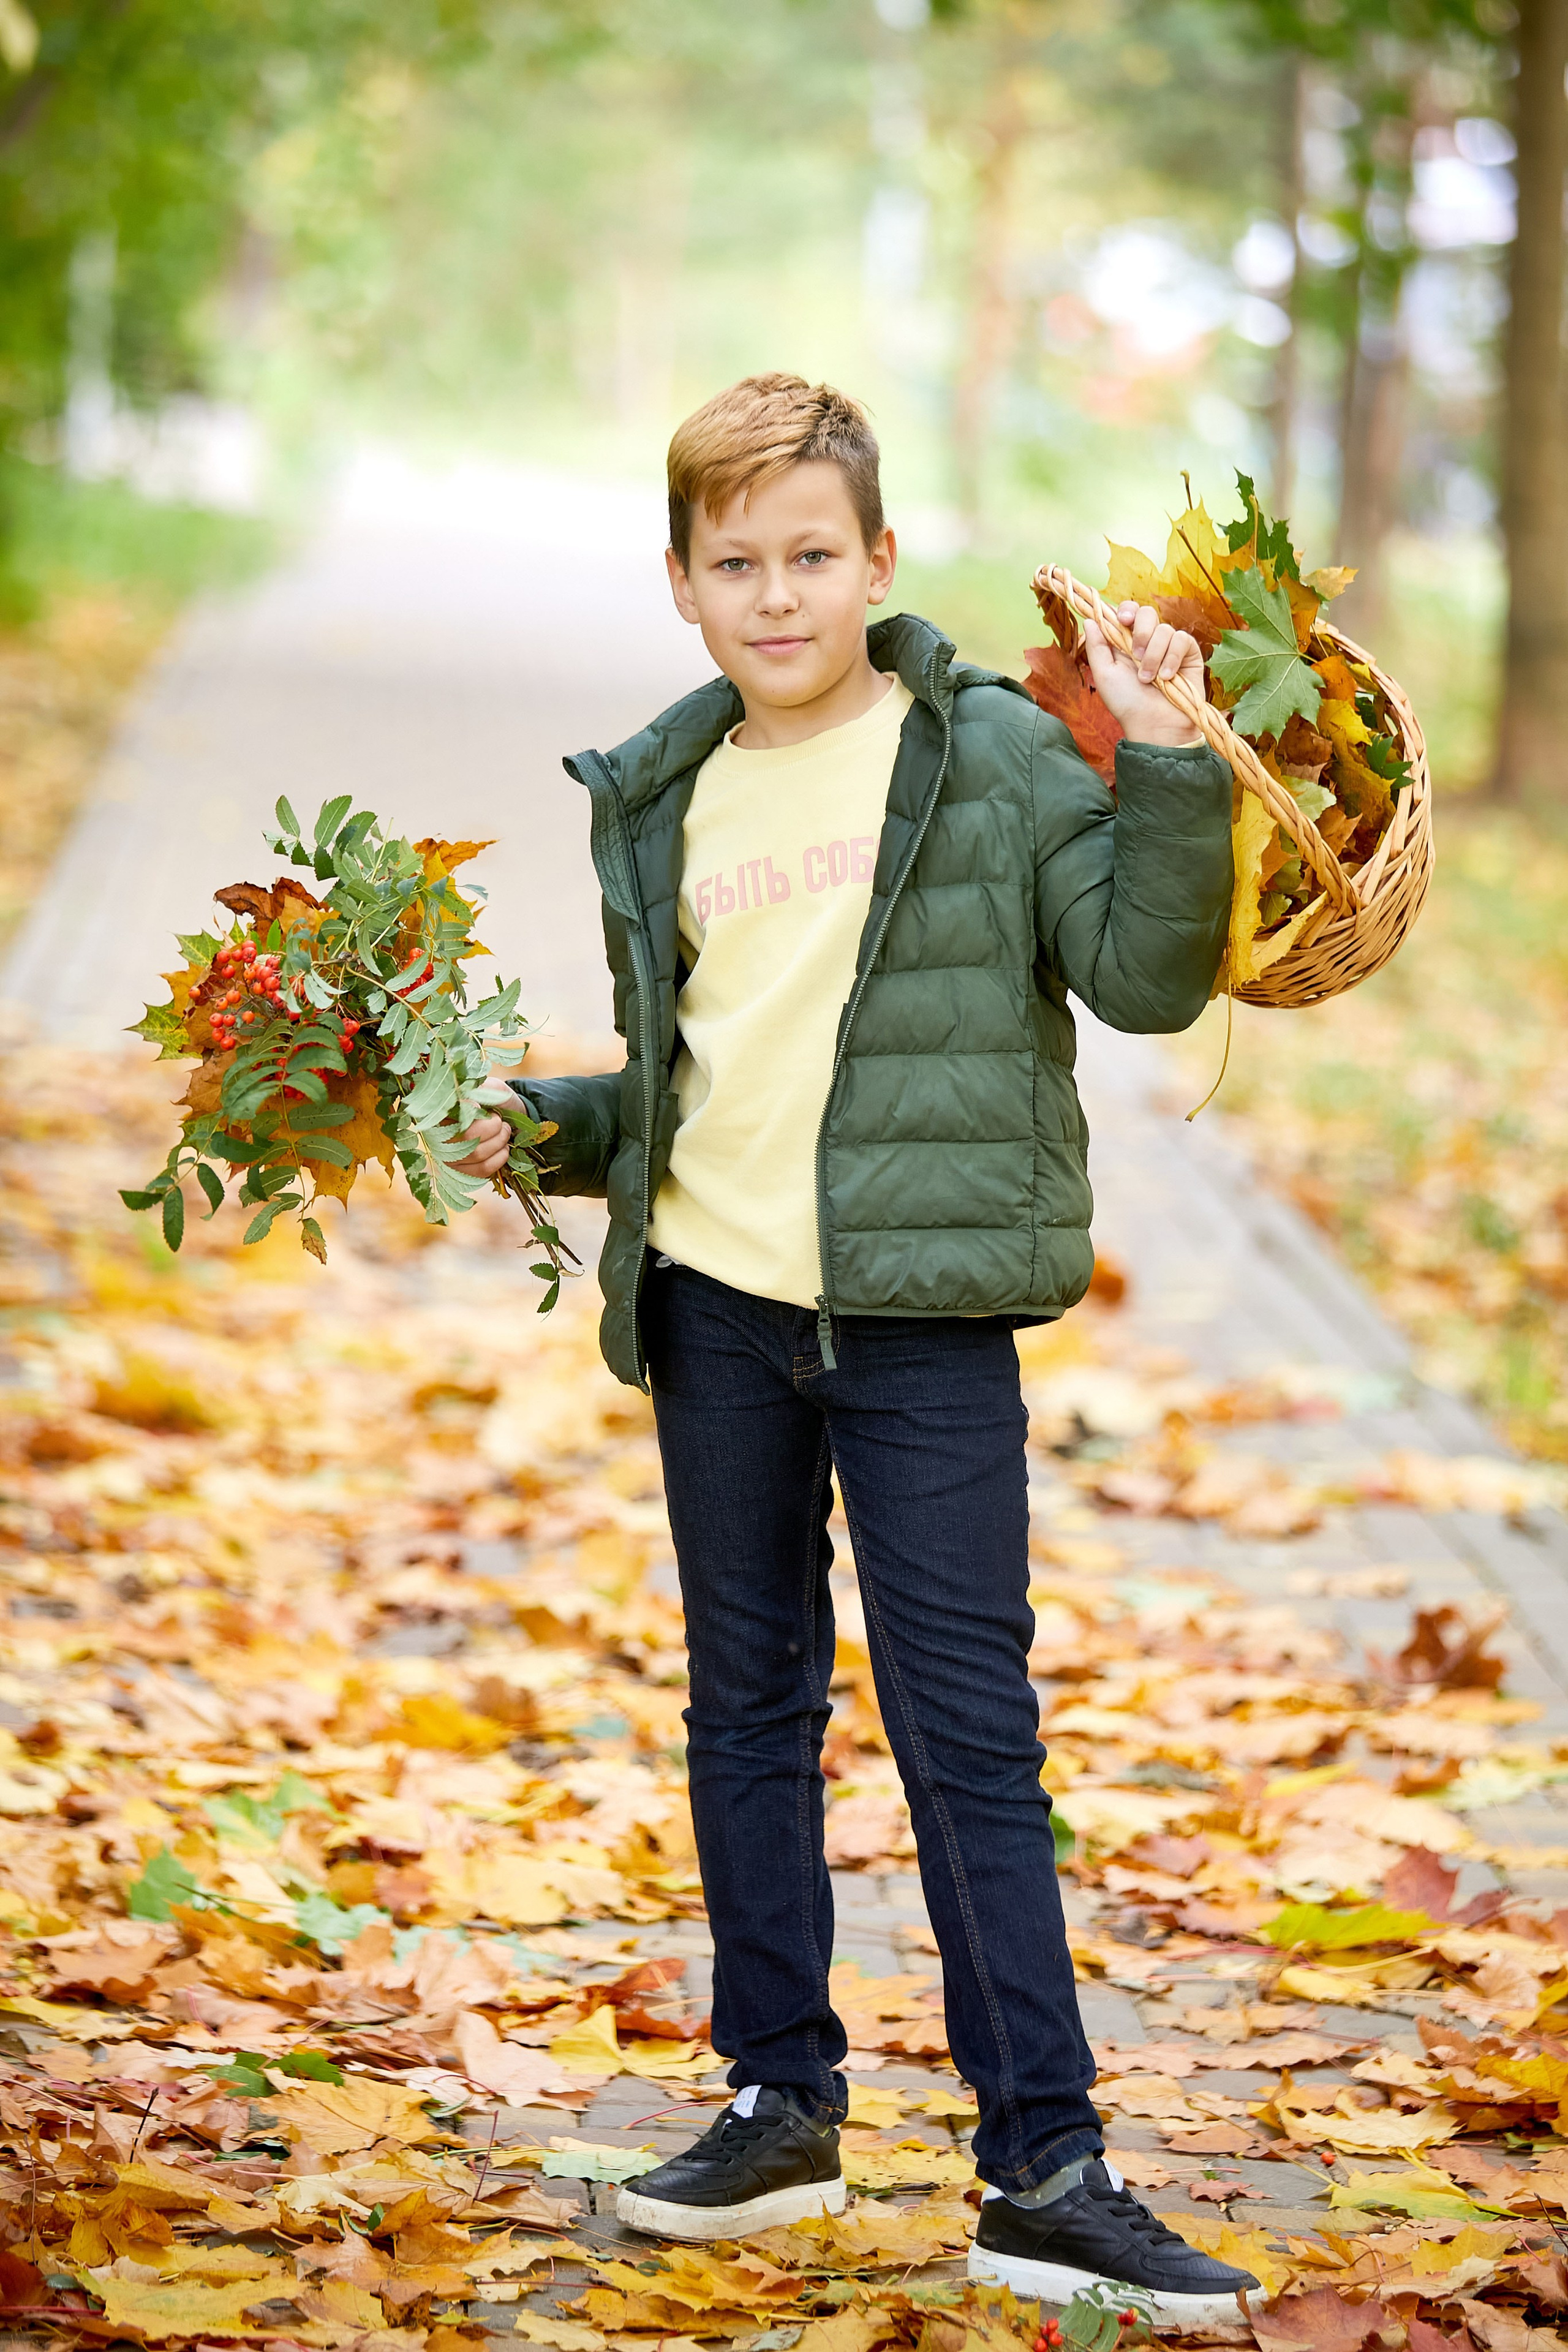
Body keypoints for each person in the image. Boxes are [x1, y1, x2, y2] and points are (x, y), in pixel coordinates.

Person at [454, 374, 1254, 2332]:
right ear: (682, 585)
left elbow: (1150, 982)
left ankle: (1047, 2165)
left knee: (969, 1728)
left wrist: (1163, 762)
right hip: (719, 1309)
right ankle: (779, 2102)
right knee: (747, 1707)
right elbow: (705, 1078)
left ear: (879, 561)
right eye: (738, 563)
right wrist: (549, 1126)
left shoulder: (988, 754)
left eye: (813, 555)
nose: (779, 594)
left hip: (921, 1324)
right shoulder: (665, 789)